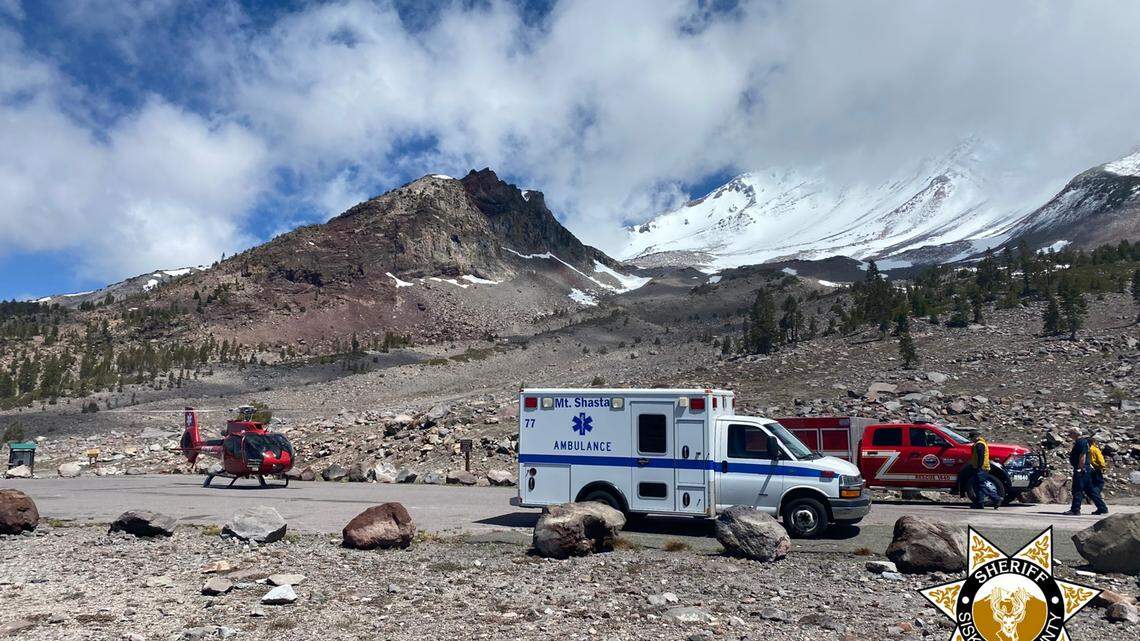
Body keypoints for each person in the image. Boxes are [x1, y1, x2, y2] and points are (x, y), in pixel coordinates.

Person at [1065, 435, 1108, 515]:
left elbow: (1082, 455)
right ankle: (1102, 507)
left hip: (1082, 470)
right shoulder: (1086, 444)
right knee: (1090, 490)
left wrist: (1081, 468)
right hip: (1087, 470)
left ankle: (1075, 509)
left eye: (1070, 433)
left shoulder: (1081, 443)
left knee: (1077, 489)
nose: (1069, 434)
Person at [968, 436, 1000, 510]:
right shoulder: (979, 443)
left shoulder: (979, 444)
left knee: (980, 485)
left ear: (976, 437)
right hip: (980, 467)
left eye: (971, 437)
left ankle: (996, 498)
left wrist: (979, 466)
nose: (971, 439)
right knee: (976, 485)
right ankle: (980, 503)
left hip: (981, 468)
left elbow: (981, 456)